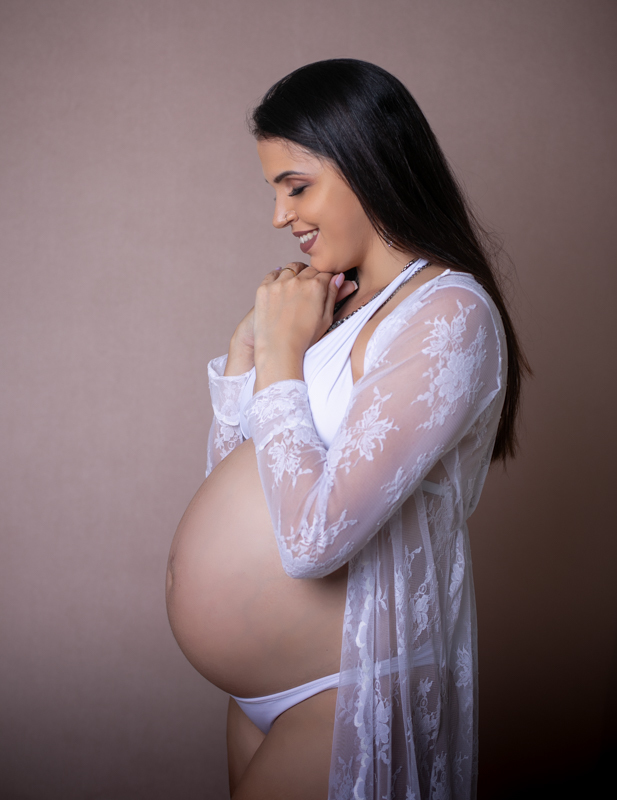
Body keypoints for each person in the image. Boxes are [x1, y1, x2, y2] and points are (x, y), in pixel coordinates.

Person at [166, 59, 528, 800]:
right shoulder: (340, 309)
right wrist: (249, 351)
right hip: (258, 694)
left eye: (296, 186)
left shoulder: (448, 314)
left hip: (345, 687)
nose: (279, 216)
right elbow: (244, 479)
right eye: (274, 190)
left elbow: (312, 541)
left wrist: (283, 358)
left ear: (369, 165)